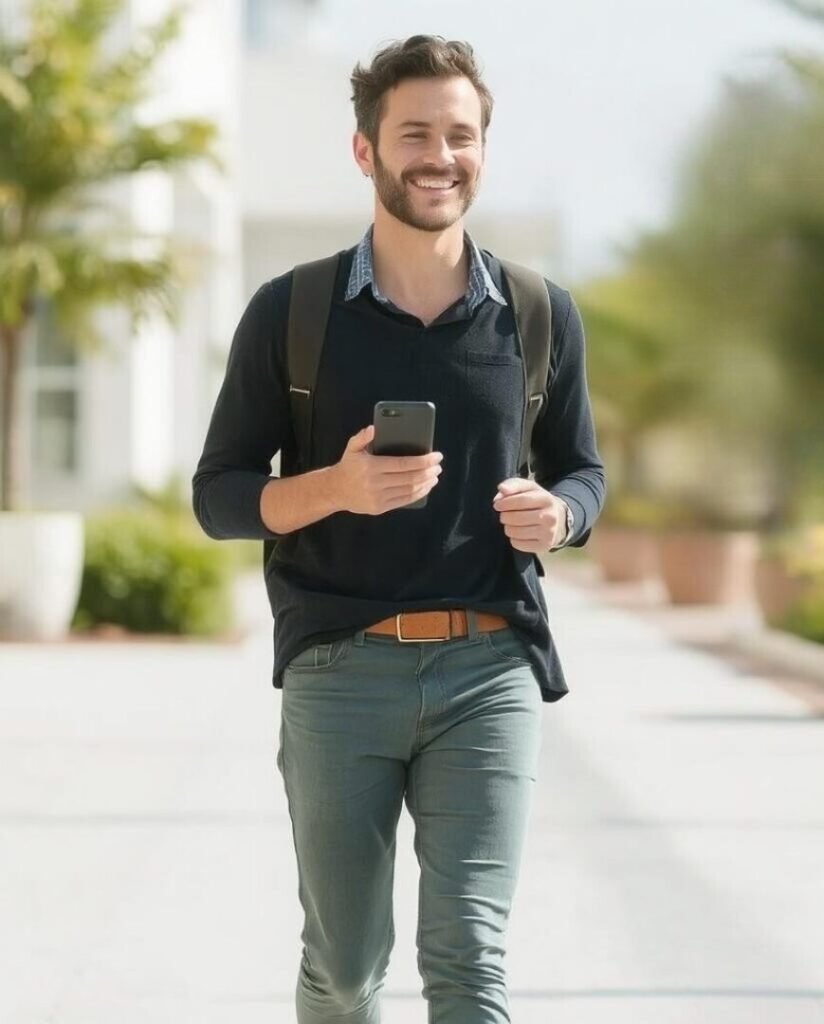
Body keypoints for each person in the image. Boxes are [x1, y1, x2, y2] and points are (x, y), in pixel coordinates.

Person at [192, 34, 605, 1024]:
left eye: (459, 134)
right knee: (346, 965)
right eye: (414, 131)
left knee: (469, 955)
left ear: (482, 150)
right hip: (340, 671)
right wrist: (334, 486)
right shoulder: (291, 314)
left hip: (489, 666)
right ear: (365, 150)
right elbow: (219, 494)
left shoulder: (538, 315)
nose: (439, 154)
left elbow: (583, 470)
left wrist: (562, 514)